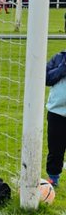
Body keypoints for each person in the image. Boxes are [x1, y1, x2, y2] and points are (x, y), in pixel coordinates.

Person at [46, 50, 66, 188]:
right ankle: (53, 178)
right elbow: (47, 78)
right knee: (55, 148)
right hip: (56, 111)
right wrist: (63, 68)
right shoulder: (59, 58)